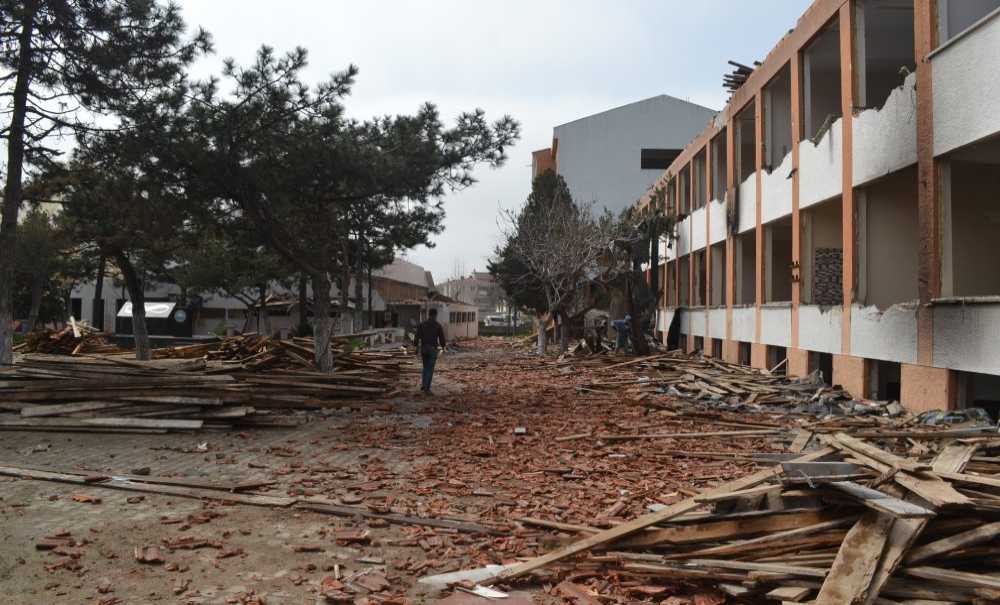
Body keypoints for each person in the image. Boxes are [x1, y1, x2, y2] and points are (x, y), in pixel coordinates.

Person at [413, 308, 447, 394]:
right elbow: (442, 339)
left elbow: (416, 337)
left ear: (429, 314)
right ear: (435, 315)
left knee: (425, 367)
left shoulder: (422, 324)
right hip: (432, 349)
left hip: (424, 349)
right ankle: (427, 389)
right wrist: (443, 347)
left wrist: (416, 347)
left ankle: (424, 384)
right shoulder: (437, 325)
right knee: (430, 369)